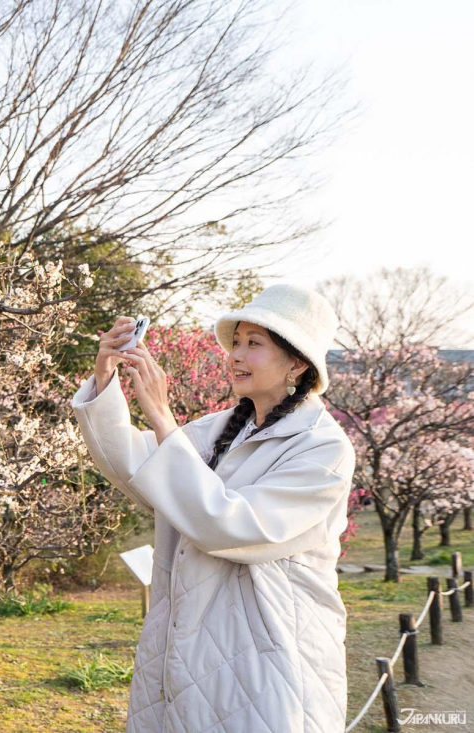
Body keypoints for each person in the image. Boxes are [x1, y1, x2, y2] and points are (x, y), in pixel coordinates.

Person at [71, 283, 355, 733]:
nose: (236, 355)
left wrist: (163, 418)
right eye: (236, 342)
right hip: (189, 639)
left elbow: (231, 526)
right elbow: (133, 465)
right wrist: (106, 377)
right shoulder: (222, 428)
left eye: (254, 345)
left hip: (269, 652)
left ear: (297, 363)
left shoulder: (322, 448)